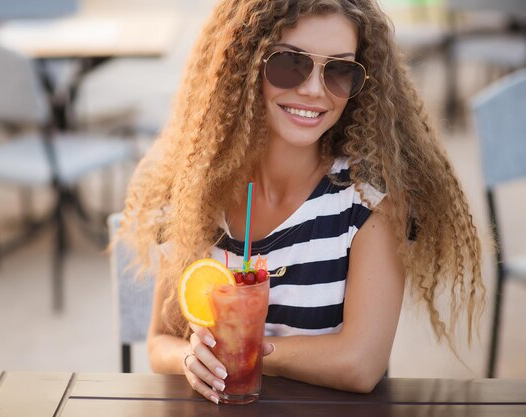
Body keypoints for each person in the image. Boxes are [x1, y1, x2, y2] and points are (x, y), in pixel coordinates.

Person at [119, 0, 485, 403]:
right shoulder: (194, 192)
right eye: (289, 63)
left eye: (339, 70)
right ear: (245, 65)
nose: (313, 89)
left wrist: (245, 352)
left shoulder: (368, 202)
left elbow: (361, 363)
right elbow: (160, 343)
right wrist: (190, 357)